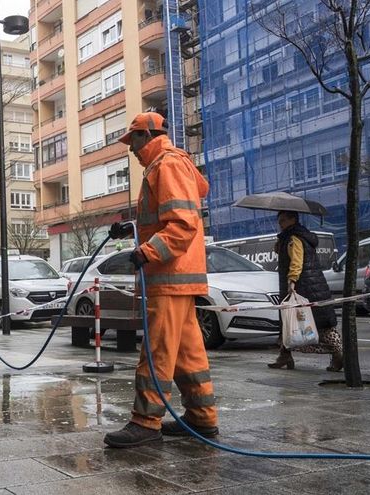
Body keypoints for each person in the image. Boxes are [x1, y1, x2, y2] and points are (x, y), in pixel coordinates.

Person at [105, 111, 218, 448]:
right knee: (187, 352)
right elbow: (167, 219)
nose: (131, 149)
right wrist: (132, 228)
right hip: (178, 277)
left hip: (170, 276)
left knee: (157, 350)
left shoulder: (166, 165)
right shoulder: (165, 166)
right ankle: (202, 418)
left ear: (148, 136)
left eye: (133, 141)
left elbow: (182, 224)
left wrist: (147, 252)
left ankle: (145, 421)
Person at [268, 211, 343, 371]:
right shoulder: (291, 236)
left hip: (306, 287)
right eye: (279, 221)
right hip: (310, 285)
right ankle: (285, 355)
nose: (280, 224)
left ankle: (338, 354)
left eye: (283, 220)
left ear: (293, 219)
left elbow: (297, 261)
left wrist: (292, 281)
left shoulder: (294, 238)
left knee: (318, 324)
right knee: (289, 322)